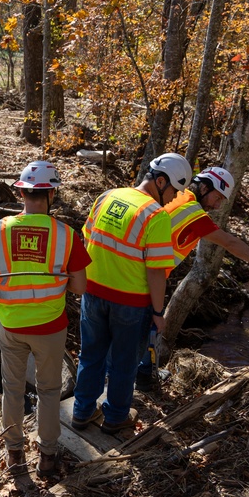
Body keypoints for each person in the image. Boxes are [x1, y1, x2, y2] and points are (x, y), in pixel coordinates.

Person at [134, 166, 249, 390]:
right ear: (203, 187)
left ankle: (140, 372)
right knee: (148, 327)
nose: (217, 205)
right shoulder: (192, 213)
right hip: (146, 279)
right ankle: (141, 377)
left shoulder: (176, 196)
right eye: (217, 197)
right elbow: (230, 243)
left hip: (133, 269)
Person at [0, 161, 90, 478]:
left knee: (12, 389)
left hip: (12, 326)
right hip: (50, 327)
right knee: (50, 391)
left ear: (20, 192)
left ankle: (14, 454)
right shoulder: (67, 236)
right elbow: (80, 286)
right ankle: (47, 458)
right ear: (51, 194)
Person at [71, 152, 191, 434]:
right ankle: (114, 418)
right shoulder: (155, 215)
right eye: (174, 190)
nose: (175, 198)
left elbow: (87, 238)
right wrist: (159, 313)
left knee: (91, 356)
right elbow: (156, 271)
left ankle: (82, 412)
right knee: (124, 364)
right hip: (130, 303)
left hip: (93, 294)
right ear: (161, 182)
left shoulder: (108, 195)